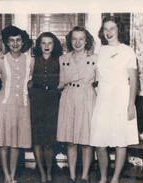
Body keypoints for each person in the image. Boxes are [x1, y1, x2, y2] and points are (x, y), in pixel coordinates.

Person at [90, 16, 139, 183]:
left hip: (121, 98)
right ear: (102, 32)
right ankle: (103, 177)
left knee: (120, 141)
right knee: (99, 142)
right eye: (106, 29)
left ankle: (115, 179)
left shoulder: (127, 51)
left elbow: (133, 80)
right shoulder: (100, 51)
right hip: (103, 98)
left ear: (119, 30)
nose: (109, 32)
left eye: (112, 28)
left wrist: (131, 105)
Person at [57, 26, 97, 183]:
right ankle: (72, 176)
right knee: (71, 140)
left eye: (81, 38)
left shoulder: (95, 59)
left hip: (87, 97)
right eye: (74, 38)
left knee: (86, 141)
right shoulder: (63, 59)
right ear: (70, 40)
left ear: (86, 40)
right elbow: (60, 83)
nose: (78, 42)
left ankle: (85, 176)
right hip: (69, 98)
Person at [0, 25, 34, 183]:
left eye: (18, 40)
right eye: (11, 41)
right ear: (6, 42)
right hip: (6, 104)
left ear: (23, 42)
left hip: (23, 105)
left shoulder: (30, 60)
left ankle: (12, 174)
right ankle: (7, 176)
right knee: (4, 142)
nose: (15, 43)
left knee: (16, 143)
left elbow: (30, 82)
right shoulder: (0, 60)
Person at [29, 32, 63, 183]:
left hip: (52, 101)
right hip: (35, 100)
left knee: (49, 141)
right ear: (39, 45)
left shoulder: (60, 60)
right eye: (43, 43)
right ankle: (41, 172)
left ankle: (49, 171)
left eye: (50, 43)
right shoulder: (32, 60)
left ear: (54, 45)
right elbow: (26, 79)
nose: (47, 46)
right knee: (37, 139)